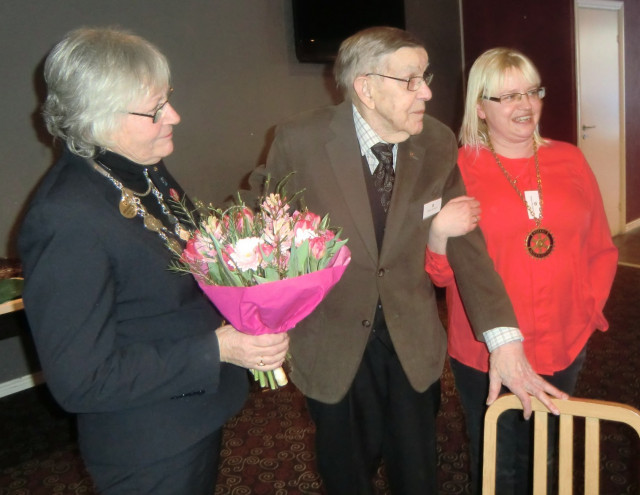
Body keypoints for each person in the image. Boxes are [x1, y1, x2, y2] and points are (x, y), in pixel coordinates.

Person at [247, 27, 565, 494]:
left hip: (412, 342)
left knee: (417, 473)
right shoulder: (300, 139)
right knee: (345, 473)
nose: (428, 92)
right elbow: (262, 217)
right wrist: (258, 295)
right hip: (332, 342)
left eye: (426, 77)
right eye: (411, 80)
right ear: (366, 87)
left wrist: (504, 339)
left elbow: (467, 246)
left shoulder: (435, 141)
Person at [18, 27, 289, 494]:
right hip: (147, 445)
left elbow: (186, 262)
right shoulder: (65, 216)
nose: (175, 117)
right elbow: (81, 380)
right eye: (155, 109)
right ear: (97, 118)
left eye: (169, 100)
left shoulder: (143, 170)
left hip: (194, 413)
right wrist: (218, 349)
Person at [425, 47, 618, 494]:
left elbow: (601, 247)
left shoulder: (569, 159)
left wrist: (589, 311)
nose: (525, 105)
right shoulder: (455, 167)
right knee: (496, 456)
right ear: (480, 107)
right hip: (484, 347)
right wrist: (436, 235)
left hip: (564, 339)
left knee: (546, 450)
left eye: (532, 92)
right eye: (508, 96)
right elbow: (436, 275)